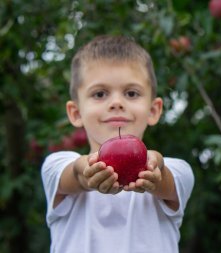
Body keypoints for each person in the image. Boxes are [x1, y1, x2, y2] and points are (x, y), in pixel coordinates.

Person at [41, 35, 194, 253]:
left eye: (131, 93)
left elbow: (164, 180)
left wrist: (154, 165)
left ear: (153, 111)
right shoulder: (57, 165)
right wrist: (90, 170)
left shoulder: (178, 170)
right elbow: (77, 174)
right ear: (75, 113)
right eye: (100, 94)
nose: (116, 103)